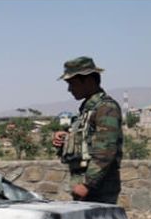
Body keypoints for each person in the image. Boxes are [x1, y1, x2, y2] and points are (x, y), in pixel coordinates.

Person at [52, 57, 123, 203]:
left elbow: (105, 150)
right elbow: (86, 141)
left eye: (72, 84)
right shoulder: (87, 110)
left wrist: (87, 184)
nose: (69, 89)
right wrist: (66, 138)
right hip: (86, 185)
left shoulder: (106, 108)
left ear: (88, 80)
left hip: (98, 188)